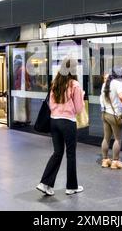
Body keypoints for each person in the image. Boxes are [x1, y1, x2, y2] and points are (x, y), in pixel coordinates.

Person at [36, 58, 85, 196]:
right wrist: (81, 95)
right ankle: (71, 187)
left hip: (54, 121)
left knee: (57, 152)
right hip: (68, 122)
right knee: (71, 154)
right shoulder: (74, 85)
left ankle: (44, 183)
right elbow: (79, 108)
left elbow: (51, 105)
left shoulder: (55, 83)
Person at [99, 67, 122, 169]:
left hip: (105, 114)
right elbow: (121, 97)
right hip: (114, 115)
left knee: (106, 138)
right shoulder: (119, 84)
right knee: (117, 139)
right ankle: (115, 161)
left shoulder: (106, 84)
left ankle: (105, 160)